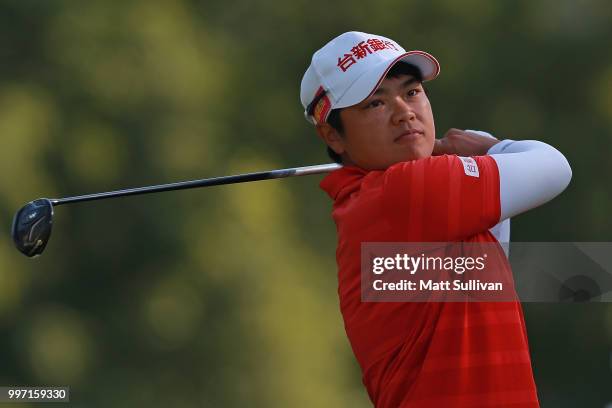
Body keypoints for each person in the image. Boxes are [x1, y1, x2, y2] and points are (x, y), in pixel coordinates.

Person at [300, 31, 571, 407]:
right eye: (376, 103)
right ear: (333, 135)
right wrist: (494, 148)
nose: (404, 112)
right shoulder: (402, 194)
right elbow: (556, 167)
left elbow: (491, 258)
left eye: (411, 92)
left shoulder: (374, 206)